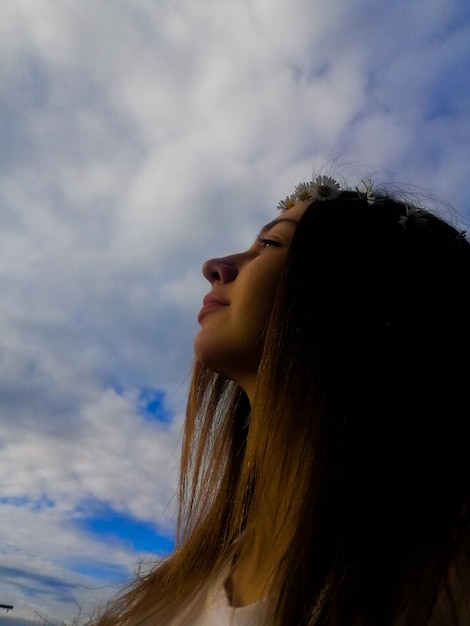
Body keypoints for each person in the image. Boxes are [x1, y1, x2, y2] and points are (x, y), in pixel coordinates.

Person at [93, 175, 470, 625]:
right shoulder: (172, 592)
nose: (216, 266)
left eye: (270, 245)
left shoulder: (440, 586)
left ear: (358, 292)